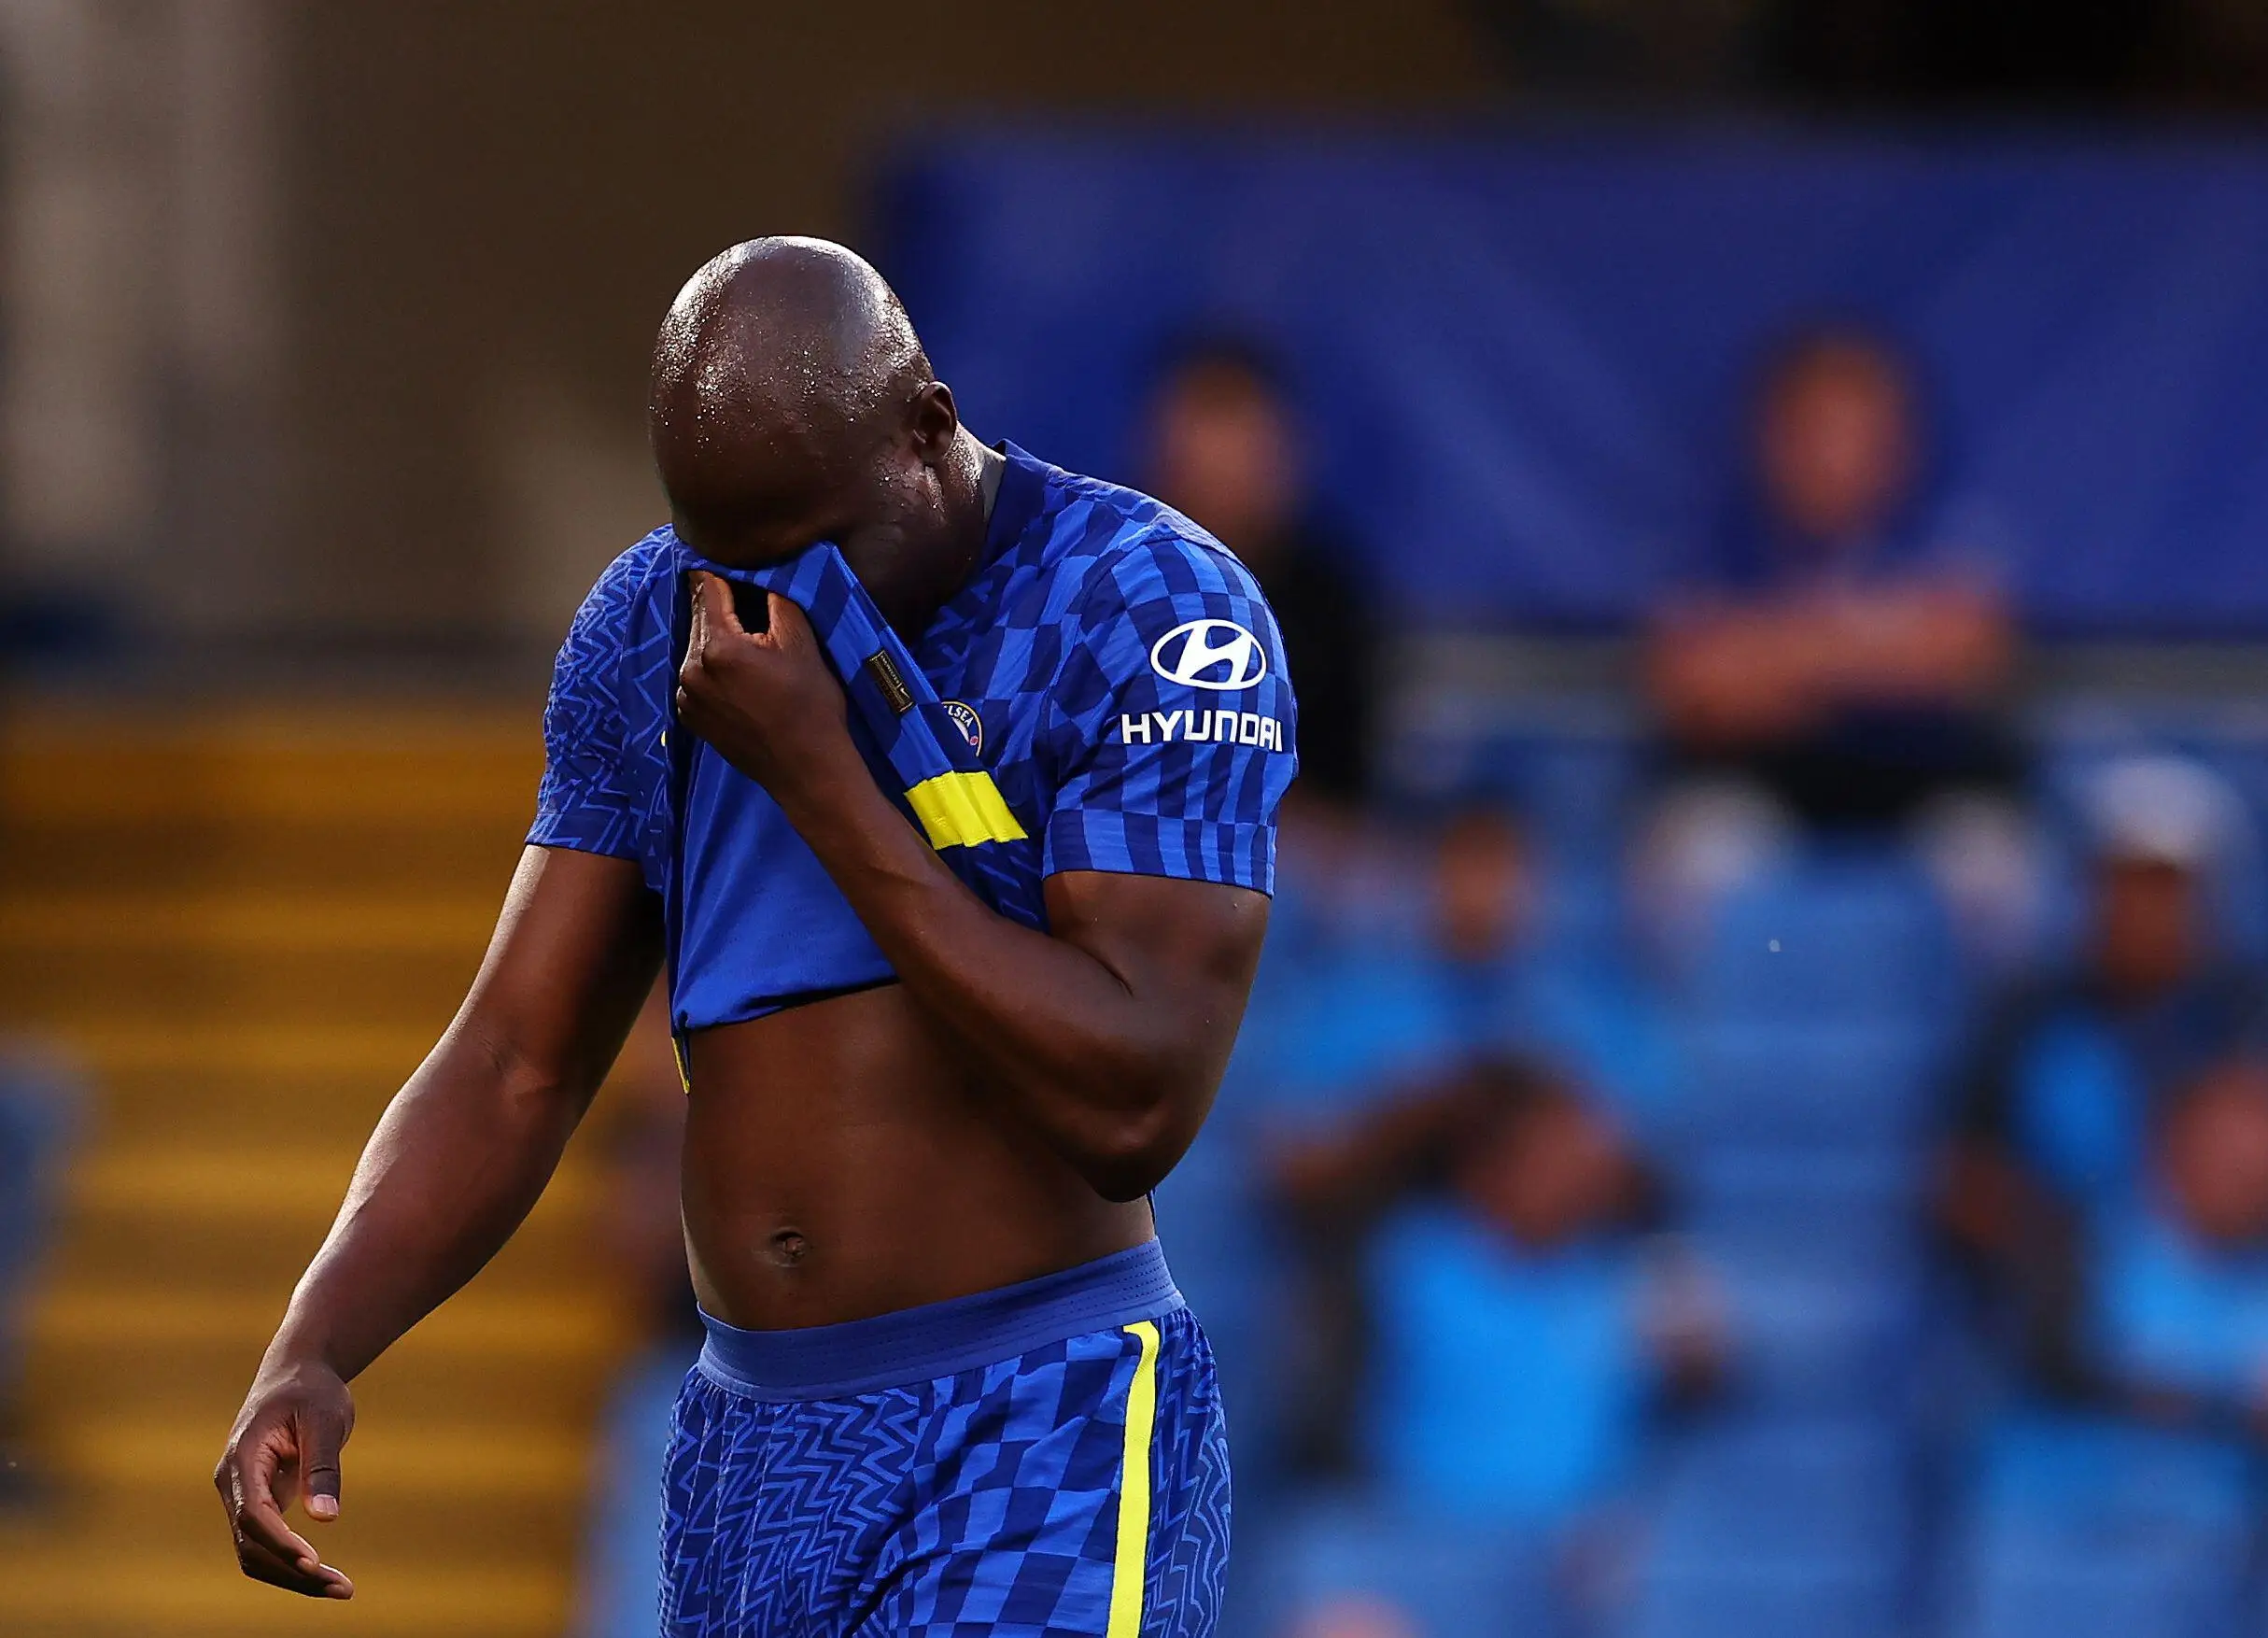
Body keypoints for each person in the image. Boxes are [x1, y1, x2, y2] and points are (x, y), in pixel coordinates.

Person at [215, 237, 1296, 1637]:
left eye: (809, 547)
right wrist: (315, 1344)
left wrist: (819, 774)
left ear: (927, 426)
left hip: (1037, 1415)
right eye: (725, 552)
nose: (768, 602)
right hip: (748, 1437)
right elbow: (511, 1058)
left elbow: (1135, 1096)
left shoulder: (1148, 606)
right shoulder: (652, 620)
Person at [1642, 328, 2030, 956]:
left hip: (1924, 778)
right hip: (1758, 778)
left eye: (1853, 431)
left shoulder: (1947, 522)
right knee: (1688, 858)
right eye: (1812, 431)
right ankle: (1686, 1051)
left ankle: (1993, 1049)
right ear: (1771, 437)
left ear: (1897, 442)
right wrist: (1876, 646)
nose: (1830, 454)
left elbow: (1966, 659)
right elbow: (1691, 688)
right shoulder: (1717, 535)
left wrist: (1771, 653)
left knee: (1992, 864)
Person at [1943, 756, 2268, 1388]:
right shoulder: (2025, 1019)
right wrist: (2075, 1256)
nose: (2143, 909)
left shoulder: (2247, 1018)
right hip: (2060, 1334)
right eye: (2123, 883)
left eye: (2165, 886)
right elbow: (1962, 1182)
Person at [1144, 339, 1375, 817]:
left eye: (1234, 440)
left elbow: (1347, 803)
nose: (1216, 471)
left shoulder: (1327, 601)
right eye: (1198, 441)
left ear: (1281, 454)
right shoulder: (1102, 583)